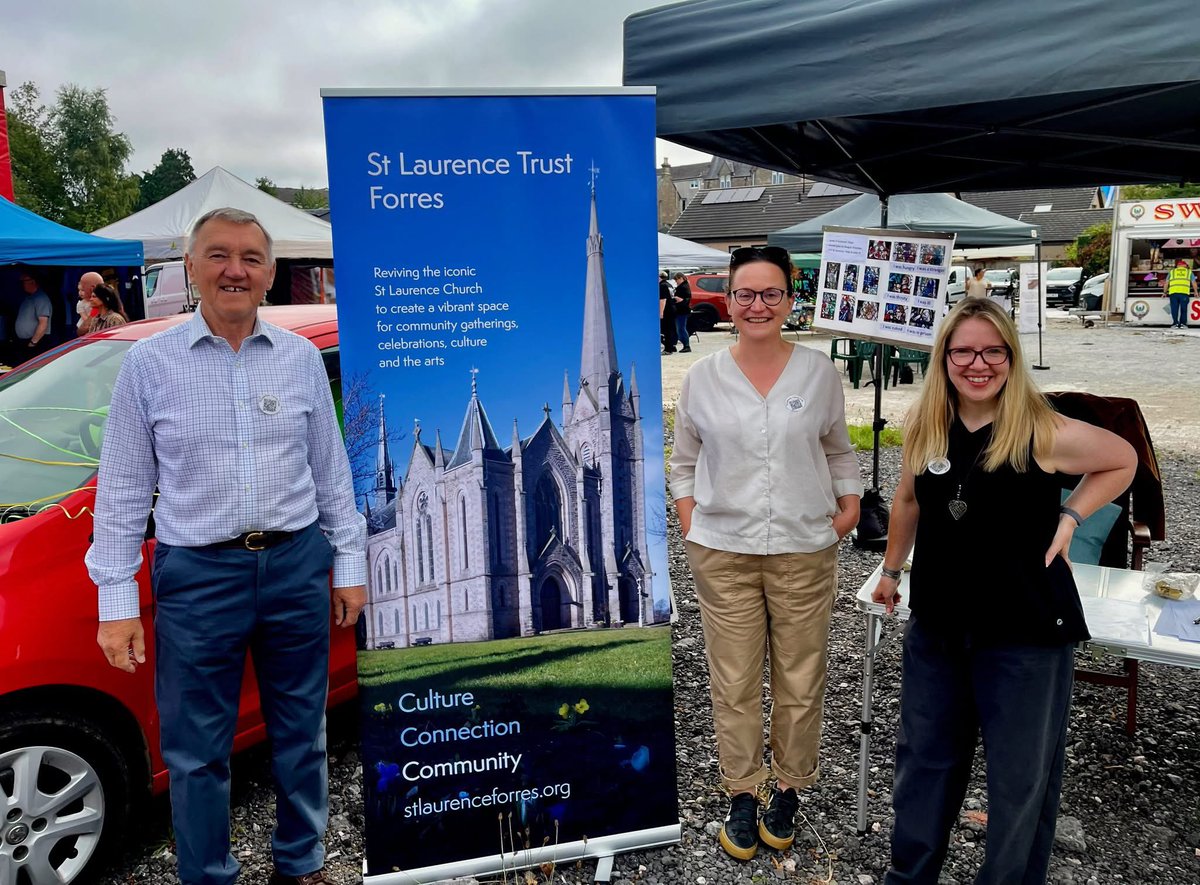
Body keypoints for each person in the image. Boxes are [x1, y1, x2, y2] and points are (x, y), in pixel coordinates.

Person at [87, 207, 366, 885]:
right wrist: (116, 600)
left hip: (296, 563)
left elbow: (331, 471)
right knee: (196, 751)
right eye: (217, 254)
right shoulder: (150, 365)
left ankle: (299, 864)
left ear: (270, 272)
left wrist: (348, 564)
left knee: (303, 735)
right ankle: (208, 875)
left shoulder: (300, 358)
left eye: (249, 257)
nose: (234, 270)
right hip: (197, 574)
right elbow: (123, 488)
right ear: (190, 266)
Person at [870, 298, 1136, 884]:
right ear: (943, 358)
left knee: (1020, 781)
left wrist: (1071, 516)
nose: (977, 364)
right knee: (924, 768)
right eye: (962, 350)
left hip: (1026, 636)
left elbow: (1123, 459)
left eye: (993, 351)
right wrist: (890, 572)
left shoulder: (1041, 429)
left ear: (1012, 359)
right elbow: (909, 501)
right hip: (939, 628)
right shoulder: (927, 425)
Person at [670, 244, 862, 861]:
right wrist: (688, 510)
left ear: (789, 298)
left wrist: (849, 502)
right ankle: (743, 791)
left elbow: (837, 448)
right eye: (746, 294)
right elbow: (685, 461)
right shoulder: (702, 376)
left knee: (801, 677)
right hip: (723, 550)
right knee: (733, 680)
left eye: (770, 293)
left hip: (805, 548)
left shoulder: (817, 373)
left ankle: (789, 785)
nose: (757, 305)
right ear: (727, 299)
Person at [13, 270, 53, 361]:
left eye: (24, 281)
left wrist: (33, 343)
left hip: (36, 343)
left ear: (33, 282)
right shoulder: (28, 298)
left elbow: (43, 323)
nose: (22, 284)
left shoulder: (41, 298)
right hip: (26, 342)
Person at [1162, 258, 1196, 328]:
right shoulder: (1189, 272)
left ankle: (1175, 323)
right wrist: (1196, 292)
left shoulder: (1172, 272)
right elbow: (1193, 283)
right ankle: (1183, 324)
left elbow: (1166, 283)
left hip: (1173, 293)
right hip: (1184, 293)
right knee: (1183, 309)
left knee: (1174, 308)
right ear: (1185, 266)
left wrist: (1164, 292)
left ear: (1177, 266)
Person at [77, 271, 104, 335]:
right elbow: (85, 326)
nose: (80, 292)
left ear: (93, 288)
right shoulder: (81, 304)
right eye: (79, 290)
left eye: (83, 289)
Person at [672, 272, 693, 352]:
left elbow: (686, 299)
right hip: (682, 310)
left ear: (681, 278)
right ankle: (685, 345)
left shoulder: (683, 287)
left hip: (682, 311)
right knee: (681, 328)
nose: (676, 281)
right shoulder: (685, 285)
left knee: (681, 329)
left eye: (676, 280)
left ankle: (686, 345)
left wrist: (678, 300)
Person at [660, 271, 678, 353]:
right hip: (673, 308)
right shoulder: (669, 285)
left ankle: (668, 348)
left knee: (666, 330)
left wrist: (661, 312)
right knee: (672, 328)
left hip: (667, 310)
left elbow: (663, 300)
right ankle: (673, 346)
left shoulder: (662, 286)